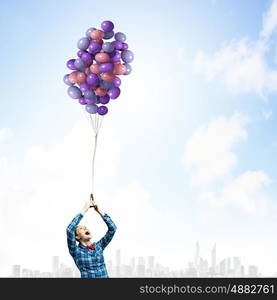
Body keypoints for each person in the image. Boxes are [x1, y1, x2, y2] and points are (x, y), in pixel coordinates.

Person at [66, 194, 117, 278]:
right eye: (81, 229)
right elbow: (69, 229)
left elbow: (113, 229)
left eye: (86, 227)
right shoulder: (75, 251)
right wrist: (85, 209)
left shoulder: (99, 246)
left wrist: (99, 210)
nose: (85, 228)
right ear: (77, 237)